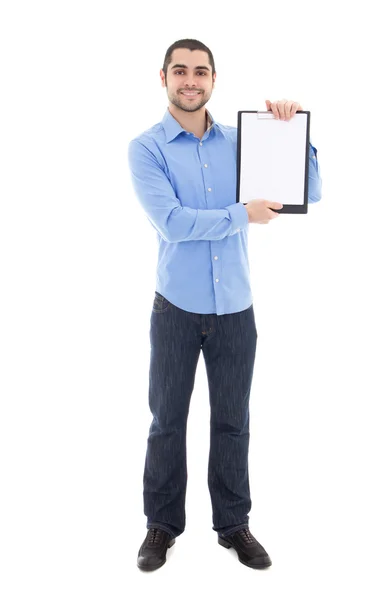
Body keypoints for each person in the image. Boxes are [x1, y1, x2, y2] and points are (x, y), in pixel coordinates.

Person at [127, 38, 322, 572]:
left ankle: (233, 524)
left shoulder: (242, 141)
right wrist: (241, 213)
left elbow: (311, 189)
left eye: (201, 72)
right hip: (177, 310)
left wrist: (293, 130)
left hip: (237, 308)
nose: (191, 80)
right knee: (167, 420)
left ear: (214, 79)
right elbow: (172, 222)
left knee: (233, 421)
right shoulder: (147, 149)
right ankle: (161, 526)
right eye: (180, 71)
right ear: (163, 78)